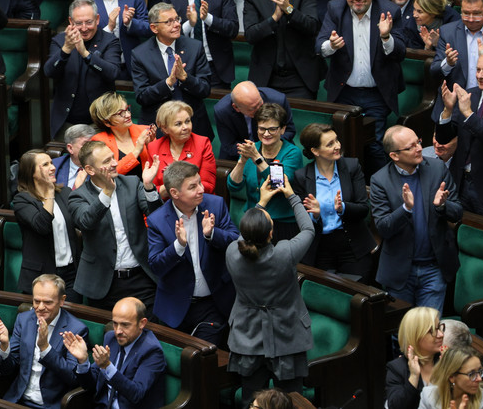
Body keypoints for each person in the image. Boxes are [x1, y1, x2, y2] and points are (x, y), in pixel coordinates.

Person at [226, 175, 314, 408]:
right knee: (292, 401)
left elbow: (245, 234)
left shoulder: (232, 253)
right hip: (287, 335)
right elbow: (308, 229)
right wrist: (292, 196)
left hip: (248, 337)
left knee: (250, 401)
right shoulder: (284, 253)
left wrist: (260, 203)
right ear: (270, 234)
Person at [370, 125, 462, 313]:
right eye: (411, 147)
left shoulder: (437, 168)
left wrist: (443, 206)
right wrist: (406, 209)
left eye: (418, 142)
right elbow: (383, 228)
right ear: (395, 155)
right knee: (401, 332)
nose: (419, 148)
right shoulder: (380, 181)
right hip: (400, 270)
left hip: (434, 268)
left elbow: (458, 212)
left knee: (428, 330)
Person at [147, 161, 239, 345]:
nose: (201, 189)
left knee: (202, 357)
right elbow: (156, 266)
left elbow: (236, 241)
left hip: (214, 302)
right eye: (192, 187)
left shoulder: (216, 205)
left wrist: (212, 234)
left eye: (199, 182)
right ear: (174, 193)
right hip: (175, 306)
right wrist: (178, 246)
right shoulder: (157, 220)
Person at [68, 141, 162, 314]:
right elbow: (86, 222)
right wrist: (106, 193)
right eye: (106, 161)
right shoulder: (77, 196)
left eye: (113, 158)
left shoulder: (132, 183)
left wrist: (149, 186)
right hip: (103, 283)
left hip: (141, 278)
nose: (114, 163)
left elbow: (157, 217)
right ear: (90, 170)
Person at [316, 0, 406, 176]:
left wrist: (386, 37)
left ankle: (378, 190)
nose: (358, 0)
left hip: (376, 93)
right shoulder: (335, 8)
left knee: (375, 144)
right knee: (338, 143)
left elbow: (401, 52)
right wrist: (331, 45)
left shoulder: (389, 11)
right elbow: (320, 46)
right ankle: (343, 187)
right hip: (344, 92)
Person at [292, 123, 377, 283]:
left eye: (336, 140)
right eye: (330, 144)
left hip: (352, 244)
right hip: (320, 247)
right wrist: (315, 215)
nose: (337, 146)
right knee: (325, 293)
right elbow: (300, 220)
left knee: (356, 294)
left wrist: (343, 207)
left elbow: (363, 208)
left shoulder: (351, 167)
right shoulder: (302, 177)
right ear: (315, 151)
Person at [436, 47, 483, 223]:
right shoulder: (472, 94)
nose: (480, 75)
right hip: (460, 184)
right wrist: (447, 110)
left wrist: (469, 114)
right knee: (455, 235)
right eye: (478, 70)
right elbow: (444, 138)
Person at [0, 274, 89, 408]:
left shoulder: (76, 329)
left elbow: (72, 379)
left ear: (62, 300)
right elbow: (7, 370)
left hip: (50, 404)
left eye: (48, 302)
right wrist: (4, 346)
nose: (40, 307)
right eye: (36, 301)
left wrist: (45, 349)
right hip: (17, 399)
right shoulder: (24, 320)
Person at [63, 297, 166, 408]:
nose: (118, 331)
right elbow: (90, 384)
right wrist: (83, 361)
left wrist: (107, 367)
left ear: (142, 323)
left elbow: (136, 394)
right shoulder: (111, 338)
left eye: (125, 325)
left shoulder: (152, 351)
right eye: (115, 323)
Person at [131, 2, 214, 140]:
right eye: (169, 21)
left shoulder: (195, 47)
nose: (176, 24)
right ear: (154, 28)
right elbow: (142, 96)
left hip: (194, 125)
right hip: (158, 127)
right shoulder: (140, 54)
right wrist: (168, 83)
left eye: (177, 19)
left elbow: (205, 89)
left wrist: (185, 78)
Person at [43, 0, 121, 139]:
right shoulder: (60, 41)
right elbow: (49, 71)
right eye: (79, 23)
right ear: (71, 21)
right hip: (66, 123)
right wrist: (66, 50)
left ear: (97, 19)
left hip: (100, 122)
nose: (84, 28)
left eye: (89, 22)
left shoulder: (109, 41)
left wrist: (86, 54)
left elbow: (113, 73)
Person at [227, 103, 303, 243]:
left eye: (272, 129)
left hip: (282, 223)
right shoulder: (252, 148)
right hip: (254, 221)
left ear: (282, 129)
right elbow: (233, 186)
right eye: (262, 129)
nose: (266, 134)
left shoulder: (292, 153)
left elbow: (278, 183)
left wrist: (256, 157)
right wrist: (242, 162)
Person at [13, 149, 81, 302]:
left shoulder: (64, 193)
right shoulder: (22, 200)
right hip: (41, 278)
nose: (53, 167)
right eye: (45, 165)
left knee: (69, 321)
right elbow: (42, 226)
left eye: (51, 162)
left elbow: (80, 222)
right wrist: (49, 194)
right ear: (31, 173)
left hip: (71, 275)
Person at [430, 0, 483, 119]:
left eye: (477, 13)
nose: (471, 19)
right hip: (453, 105)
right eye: (466, 13)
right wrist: (448, 63)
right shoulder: (448, 32)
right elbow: (434, 71)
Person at [244, 0, 324, 99]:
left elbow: (312, 26)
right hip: (267, 79)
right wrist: (274, 19)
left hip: (300, 79)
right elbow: (250, 35)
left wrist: (288, 9)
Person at [147, 100, 216, 199]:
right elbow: (152, 189)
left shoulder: (202, 143)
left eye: (187, 121)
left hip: (198, 203)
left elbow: (209, 186)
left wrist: (174, 184)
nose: (185, 127)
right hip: (166, 206)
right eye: (178, 124)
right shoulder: (154, 147)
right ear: (165, 128)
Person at [213, 81, 296, 161]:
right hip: (240, 154)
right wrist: (252, 151)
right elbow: (229, 145)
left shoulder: (278, 100)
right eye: (252, 108)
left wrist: (266, 147)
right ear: (236, 108)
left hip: (275, 149)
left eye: (260, 103)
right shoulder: (223, 111)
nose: (259, 110)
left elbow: (289, 130)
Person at [385, 307, 445, 409]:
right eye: (433, 331)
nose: (441, 334)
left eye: (440, 327)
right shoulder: (397, 368)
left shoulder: (445, 360)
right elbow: (396, 406)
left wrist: (449, 369)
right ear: (416, 335)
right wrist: (413, 377)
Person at [171, 0, 239, 89]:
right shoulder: (172, 0)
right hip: (183, 65)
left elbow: (233, 29)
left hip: (215, 67)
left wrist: (208, 18)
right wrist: (190, 24)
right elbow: (165, 33)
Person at [89, 92, 155, 178]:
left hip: (145, 187)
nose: (128, 115)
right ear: (107, 122)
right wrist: (137, 150)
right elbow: (110, 174)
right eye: (121, 113)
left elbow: (157, 166)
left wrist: (151, 147)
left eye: (127, 109)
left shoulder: (144, 131)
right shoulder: (100, 141)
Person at [419, 347, 483, 409]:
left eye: (480, 371)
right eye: (472, 374)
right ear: (451, 377)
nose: (479, 379)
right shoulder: (428, 396)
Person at [92, 0, 152, 79]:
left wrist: (130, 23)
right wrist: (109, 28)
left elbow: (149, 29)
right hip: (100, 68)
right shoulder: (89, 1)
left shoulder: (135, 0)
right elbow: (85, 34)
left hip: (132, 67)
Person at [53, 124, 94, 189]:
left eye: (92, 144)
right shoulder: (55, 166)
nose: (91, 148)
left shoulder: (100, 167)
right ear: (70, 148)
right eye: (85, 144)